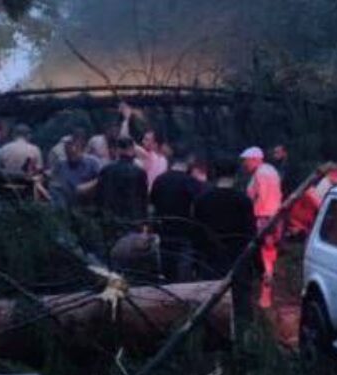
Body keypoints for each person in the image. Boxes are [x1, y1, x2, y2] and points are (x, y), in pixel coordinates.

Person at [193, 157, 257, 322]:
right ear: (235, 175)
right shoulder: (243, 201)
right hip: (238, 260)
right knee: (240, 306)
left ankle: (213, 342)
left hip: (210, 260)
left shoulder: (202, 200)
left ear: (215, 173)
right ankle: (242, 339)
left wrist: (196, 261)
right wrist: (257, 265)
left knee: (211, 307)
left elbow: (196, 234)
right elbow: (251, 234)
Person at [149, 153, 204, 282]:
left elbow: (152, 203)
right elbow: (199, 205)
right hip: (185, 232)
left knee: (166, 265)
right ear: (187, 165)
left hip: (164, 230)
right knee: (183, 269)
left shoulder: (159, 180)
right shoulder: (191, 182)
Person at [241, 146, 282, 309]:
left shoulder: (260, 174)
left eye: (246, 160)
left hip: (263, 218)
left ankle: (265, 296)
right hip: (276, 216)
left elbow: (254, 196)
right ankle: (266, 292)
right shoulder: (271, 170)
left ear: (255, 159)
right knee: (270, 255)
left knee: (265, 256)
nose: (245, 164)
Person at [95, 137, 149, 226]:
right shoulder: (139, 172)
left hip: (111, 219)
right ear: (132, 149)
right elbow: (143, 199)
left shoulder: (106, 170)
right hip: (133, 219)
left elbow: (99, 196)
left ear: (118, 150)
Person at [50, 134, 101, 210]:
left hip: (89, 199)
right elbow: (54, 181)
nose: (72, 156)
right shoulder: (61, 164)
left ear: (81, 150)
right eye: (69, 154)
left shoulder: (93, 162)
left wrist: (88, 186)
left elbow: (102, 178)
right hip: (69, 199)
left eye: (75, 153)